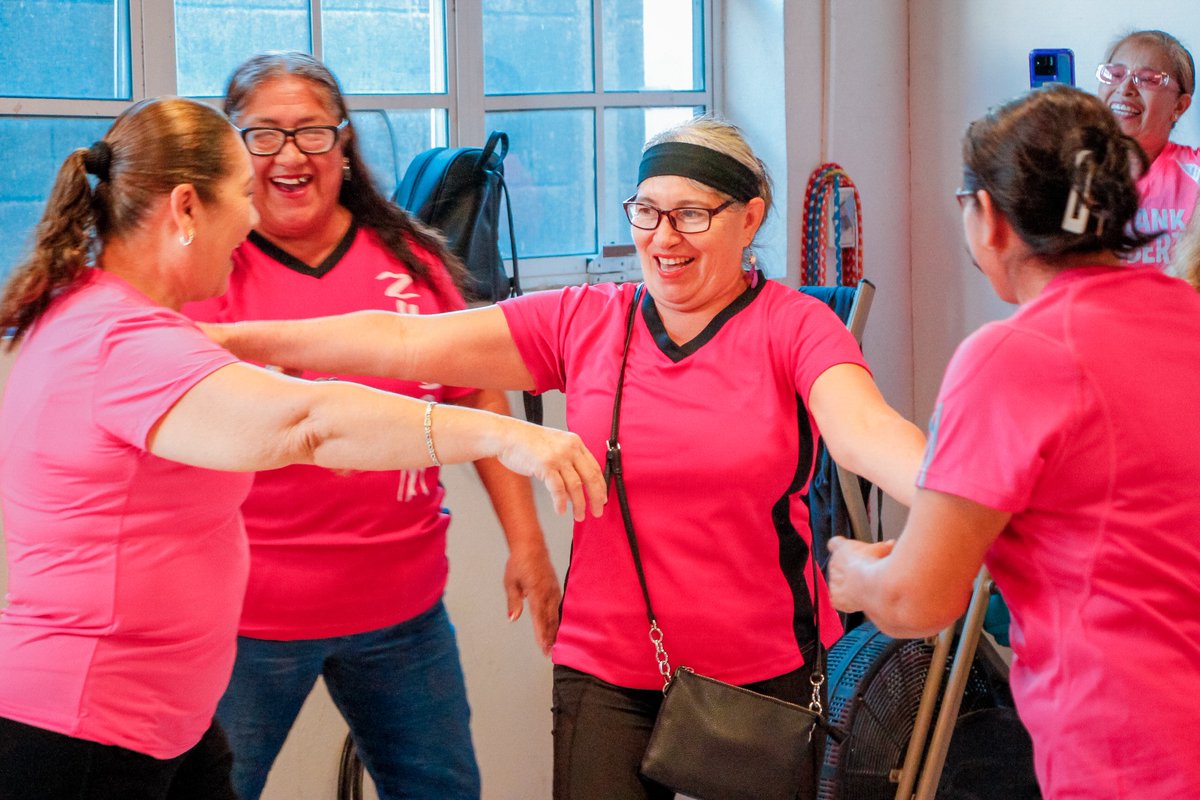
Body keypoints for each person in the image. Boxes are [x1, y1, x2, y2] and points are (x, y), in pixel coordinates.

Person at [202, 114, 927, 800]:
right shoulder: (585, 321)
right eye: (646, 211)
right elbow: (404, 341)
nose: (663, 237)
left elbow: (864, 430)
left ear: (751, 217)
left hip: (763, 672)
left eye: (692, 214)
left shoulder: (793, 326)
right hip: (606, 669)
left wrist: (956, 496)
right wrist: (236, 341)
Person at [0, 96, 605, 800]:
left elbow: (289, 406)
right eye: (241, 194)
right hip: (87, 726)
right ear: (187, 208)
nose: (253, 217)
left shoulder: (112, 319)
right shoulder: (121, 340)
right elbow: (306, 423)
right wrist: (508, 434)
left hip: (169, 720)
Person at [179, 51, 559, 800]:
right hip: (247, 619)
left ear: (344, 145)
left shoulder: (410, 261)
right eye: (264, 135)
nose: (290, 155)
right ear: (232, 147)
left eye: (312, 133)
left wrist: (528, 542)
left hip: (402, 614)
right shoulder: (206, 270)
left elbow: (478, 395)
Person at [827, 84, 1200, 799]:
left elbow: (920, 600)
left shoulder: (1012, 355)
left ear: (988, 217)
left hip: (1129, 749)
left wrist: (859, 573)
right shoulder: (1186, 312)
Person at [1096, 29, 1198, 268]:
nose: (1125, 88)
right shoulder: (1073, 170)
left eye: (1148, 79)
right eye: (1115, 74)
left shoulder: (1195, 172)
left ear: (1179, 106)